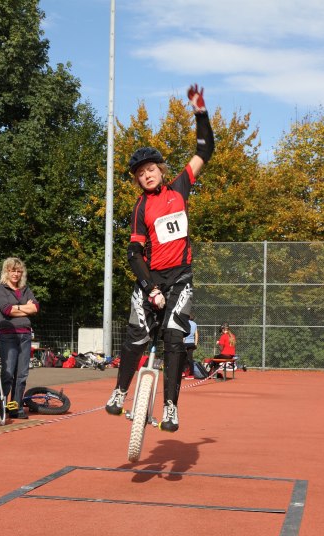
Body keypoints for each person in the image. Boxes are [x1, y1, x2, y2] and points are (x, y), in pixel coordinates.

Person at [105, 84, 214, 432]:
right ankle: (120, 391)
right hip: (151, 278)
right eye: (140, 173)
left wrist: (200, 112)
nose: (146, 175)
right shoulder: (140, 207)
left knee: (173, 337)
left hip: (180, 277)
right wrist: (149, 287)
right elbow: (134, 253)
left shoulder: (180, 187)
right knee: (136, 336)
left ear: (161, 170)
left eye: (150, 169)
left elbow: (205, 150)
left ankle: (170, 407)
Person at [0, 257, 39, 419]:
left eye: (19, 271)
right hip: (8, 335)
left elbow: (35, 308)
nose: (16, 274)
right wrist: (25, 308)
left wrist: (17, 308)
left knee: (22, 375)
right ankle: (0, 407)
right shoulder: (0, 289)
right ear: (7, 271)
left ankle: (16, 408)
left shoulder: (25, 289)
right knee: (8, 373)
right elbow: (7, 310)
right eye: (13, 270)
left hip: (25, 334)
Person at [183, 313, 199, 379]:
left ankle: (183, 372)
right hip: (192, 343)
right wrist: (195, 343)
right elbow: (196, 334)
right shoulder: (194, 324)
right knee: (190, 358)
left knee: (182, 357)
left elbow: (183, 334)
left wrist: (182, 342)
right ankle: (191, 374)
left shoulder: (185, 322)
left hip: (185, 343)